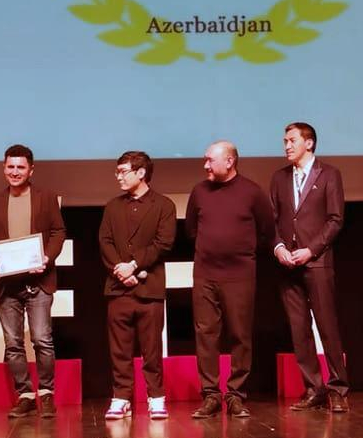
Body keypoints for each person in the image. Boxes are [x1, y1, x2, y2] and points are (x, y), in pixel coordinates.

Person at [185, 140, 276, 418]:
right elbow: (191, 230)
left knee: (240, 336)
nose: (205, 165)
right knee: (206, 335)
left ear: (229, 161)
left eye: (210, 160)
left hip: (239, 276)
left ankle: (236, 395)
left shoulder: (252, 192)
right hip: (205, 274)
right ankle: (211, 395)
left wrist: (241, 252)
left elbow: (267, 230)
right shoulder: (199, 191)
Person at [0, 144, 66, 418]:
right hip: (6, 285)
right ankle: (25, 395)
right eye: (10, 166)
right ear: (4, 168)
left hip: (39, 282)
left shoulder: (45, 197)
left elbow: (58, 231)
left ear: (31, 170)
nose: (15, 172)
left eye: (21, 167)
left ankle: (47, 393)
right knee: (13, 343)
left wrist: (46, 258)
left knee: (42, 339)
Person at [270, 122, 350, 412]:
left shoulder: (329, 174)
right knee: (298, 328)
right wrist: (279, 247)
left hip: (317, 262)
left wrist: (311, 250)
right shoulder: (279, 178)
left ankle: (338, 388)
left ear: (309, 143)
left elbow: (335, 219)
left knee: (327, 326)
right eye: (285, 141)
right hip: (287, 265)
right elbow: (272, 219)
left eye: (292, 140)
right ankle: (314, 388)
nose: (287, 146)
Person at [98, 151, 176, 420]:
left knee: (151, 349)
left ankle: (156, 397)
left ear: (141, 173)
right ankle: (121, 397)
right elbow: (105, 242)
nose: (118, 177)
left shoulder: (163, 205)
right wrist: (120, 271)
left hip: (149, 289)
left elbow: (163, 243)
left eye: (123, 171)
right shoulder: (112, 206)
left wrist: (134, 265)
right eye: (117, 172)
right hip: (118, 288)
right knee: (119, 349)